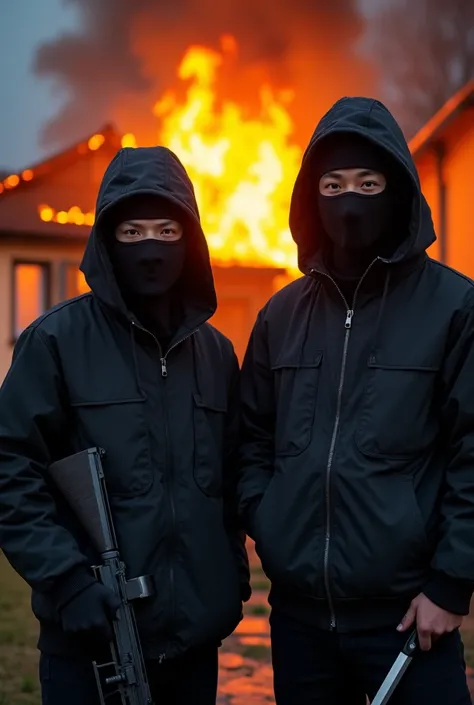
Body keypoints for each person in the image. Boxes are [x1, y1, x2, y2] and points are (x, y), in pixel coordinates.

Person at [237, 96, 474, 704]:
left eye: (368, 183)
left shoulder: (454, 308)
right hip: (299, 623)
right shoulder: (281, 315)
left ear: (397, 189)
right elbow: (251, 439)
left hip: (410, 618)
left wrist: (451, 584)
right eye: (333, 184)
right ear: (310, 198)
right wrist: (270, 519)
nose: (349, 202)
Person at [0, 145, 250, 705]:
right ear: (106, 241)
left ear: (191, 239)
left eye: (166, 230)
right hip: (89, 641)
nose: (150, 248)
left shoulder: (216, 355)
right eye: (131, 233)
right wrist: (66, 583)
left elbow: (230, 481)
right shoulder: (56, 343)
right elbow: (9, 467)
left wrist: (228, 578)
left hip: (193, 648)